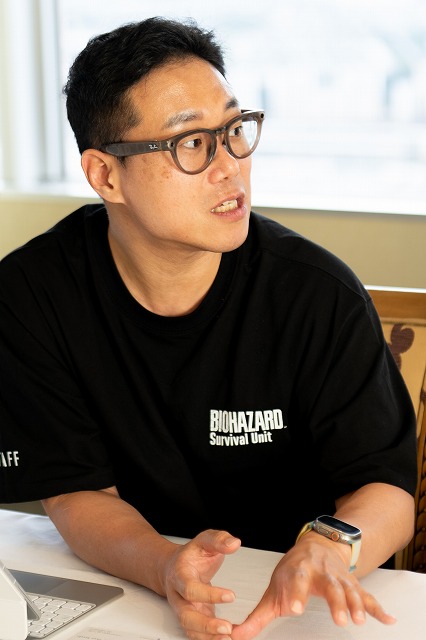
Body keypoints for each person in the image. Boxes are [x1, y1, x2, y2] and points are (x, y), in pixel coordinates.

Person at [0, 16, 418, 640]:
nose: (230, 167)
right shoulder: (31, 296)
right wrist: (166, 566)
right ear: (105, 175)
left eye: (234, 130)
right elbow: (74, 491)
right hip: (134, 591)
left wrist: (327, 546)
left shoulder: (315, 294)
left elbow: (387, 488)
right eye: (190, 143)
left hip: (297, 603)